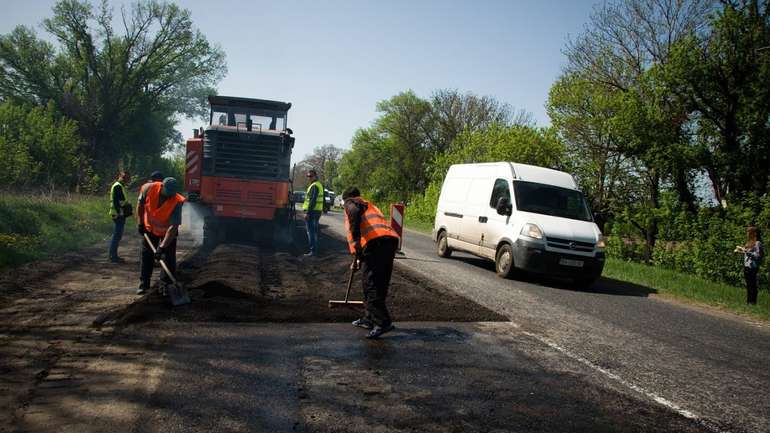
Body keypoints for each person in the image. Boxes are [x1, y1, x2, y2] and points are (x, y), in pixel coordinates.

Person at [342, 186, 400, 339]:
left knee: (371, 283)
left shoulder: (351, 203)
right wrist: (360, 258)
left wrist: (355, 242)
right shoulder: (368, 204)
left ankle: (383, 322)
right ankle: (369, 318)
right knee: (380, 282)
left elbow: (354, 214)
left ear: (346, 199)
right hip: (389, 241)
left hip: (376, 244)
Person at [136, 177, 186, 295]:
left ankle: (165, 286)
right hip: (149, 228)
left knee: (168, 258)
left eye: (172, 194)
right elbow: (140, 205)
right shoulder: (148, 188)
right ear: (162, 186)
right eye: (168, 193)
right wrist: (140, 223)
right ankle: (144, 284)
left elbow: (173, 227)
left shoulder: (177, 201)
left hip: (167, 232)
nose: (169, 196)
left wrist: (162, 247)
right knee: (146, 256)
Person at [735, 226, 764, 305]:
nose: (747, 234)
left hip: (753, 266)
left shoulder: (758, 243)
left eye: (748, 232)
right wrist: (741, 251)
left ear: (753, 233)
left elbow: (758, 256)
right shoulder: (749, 243)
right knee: (748, 285)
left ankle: (752, 302)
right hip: (747, 266)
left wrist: (747, 252)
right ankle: (749, 302)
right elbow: (748, 253)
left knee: (752, 285)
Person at [108, 170, 132, 263]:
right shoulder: (118, 186)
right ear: (119, 176)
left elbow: (122, 201)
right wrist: (120, 212)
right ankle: (113, 256)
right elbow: (117, 201)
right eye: (124, 177)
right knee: (117, 235)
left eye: (127, 178)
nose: (126, 179)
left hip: (118, 213)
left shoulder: (120, 186)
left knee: (117, 235)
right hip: (118, 214)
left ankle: (113, 255)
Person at [302, 169, 324, 257]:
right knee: (313, 231)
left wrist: (307, 212)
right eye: (308, 176)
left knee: (310, 232)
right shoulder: (318, 185)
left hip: (312, 212)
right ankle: (314, 251)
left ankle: (313, 252)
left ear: (315, 176)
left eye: (310, 176)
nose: (309, 178)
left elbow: (313, 200)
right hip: (316, 211)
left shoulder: (314, 186)